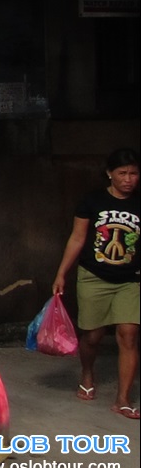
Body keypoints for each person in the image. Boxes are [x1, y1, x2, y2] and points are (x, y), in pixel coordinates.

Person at [52, 147, 139, 420]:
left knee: (129, 335)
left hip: (131, 280)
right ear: (109, 174)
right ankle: (88, 373)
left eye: (134, 173)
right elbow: (77, 238)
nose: (129, 179)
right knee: (92, 336)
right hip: (93, 277)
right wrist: (61, 273)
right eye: (122, 173)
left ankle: (123, 399)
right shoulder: (92, 201)